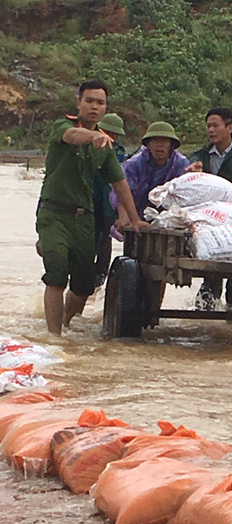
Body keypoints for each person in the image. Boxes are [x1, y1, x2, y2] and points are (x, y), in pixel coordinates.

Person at [36, 79, 145, 335]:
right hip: (54, 214)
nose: (94, 106)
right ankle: (54, 339)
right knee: (56, 275)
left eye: (100, 102)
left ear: (106, 108)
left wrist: (135, 218)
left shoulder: (106, 146)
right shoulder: (63, 125)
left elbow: (120, 183)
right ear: (79, 103)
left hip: (84, 219)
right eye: (89, 101)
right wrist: (93, 135)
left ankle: (64, 321)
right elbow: (72, 136)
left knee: (84, 284)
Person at [188, 107, 232, 310]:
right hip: (209, 220)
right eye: (208, 126)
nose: (211, 130)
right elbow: (191, 163)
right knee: (211, 273)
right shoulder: (202, 155)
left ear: (229, 127)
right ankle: (205, 310)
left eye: (215, 125)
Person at [110, 121, 190, 226]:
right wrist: (124, 217)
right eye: (155, 140)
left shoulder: (181, 163)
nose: (160, 145)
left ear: (171, 145)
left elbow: (186, 193)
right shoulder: (134, 164)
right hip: (136, 211)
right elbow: (121, 190)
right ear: (148, 144)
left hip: (170, 214)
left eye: (165, 141)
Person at [93, 112, 127, 289]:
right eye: (108, 132)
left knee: (104, 248)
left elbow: (123, 184)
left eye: (115, 135)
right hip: (88, 207)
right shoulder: (88, 148)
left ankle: (97, 287)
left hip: (109, 209)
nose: (111, 137)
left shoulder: (120, 154)